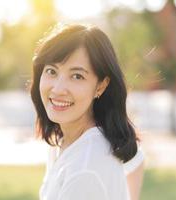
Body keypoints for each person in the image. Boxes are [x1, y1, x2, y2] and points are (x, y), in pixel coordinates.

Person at [30, 23, 144, 200]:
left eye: (77, 76)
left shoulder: (84, 170)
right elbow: (137, 160)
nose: (58, 89)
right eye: (51, 71)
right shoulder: (65, 139)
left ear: (101, 85)